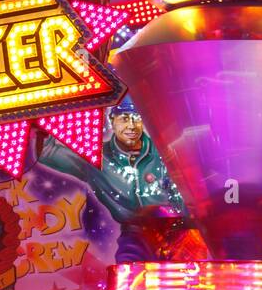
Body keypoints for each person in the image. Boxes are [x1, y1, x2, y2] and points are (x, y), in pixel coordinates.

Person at [36, 101, 195, 262]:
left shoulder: (164, 151)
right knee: (128, 279)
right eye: (124, 119)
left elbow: (190, 189)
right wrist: (40, 118)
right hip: (135, 235)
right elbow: (48, 152)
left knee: (191, 282)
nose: (131, 126)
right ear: (113, 120)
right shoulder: (98, 157)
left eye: (136, 119)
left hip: (180, 232)